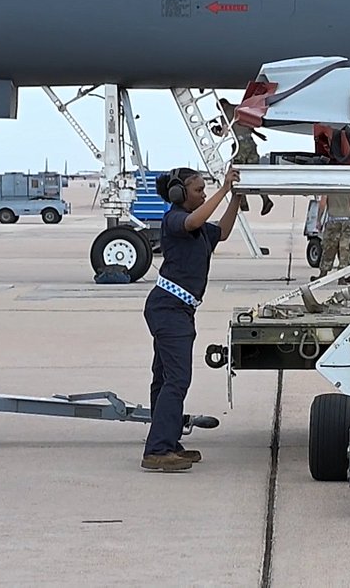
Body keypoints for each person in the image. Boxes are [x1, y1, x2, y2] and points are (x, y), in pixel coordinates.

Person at [141, 166, 244, 472]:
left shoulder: (198, 231)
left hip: (178, 309)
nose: (202, 193)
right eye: (198, 190)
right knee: (177, 379)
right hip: (169, 308)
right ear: (179, 194)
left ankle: (166, 443)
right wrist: (223, 189)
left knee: (164, 379)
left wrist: (236, 199)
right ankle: (158, 449)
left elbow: (221, 231)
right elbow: (193, 220)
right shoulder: (175, 219)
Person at [218, 99, 273, 216]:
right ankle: (266, 199)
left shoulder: (224, 114)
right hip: (250, 143)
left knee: (236, 174)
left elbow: (225, 132)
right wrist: (258, 135)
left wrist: (215, 131)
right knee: (255, 173)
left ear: (222, 105)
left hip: (240, 146)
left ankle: (242, 203)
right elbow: (248, 125)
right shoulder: (239, 108)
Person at [314, 192, 350, 283]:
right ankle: (341, 277)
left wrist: (318, 220)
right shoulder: (349, 187)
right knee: (345, 249)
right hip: (347, 222)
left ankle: (323, 274)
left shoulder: (329, 187)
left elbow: (322, 204)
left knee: (329, 248)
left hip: (333, 221)